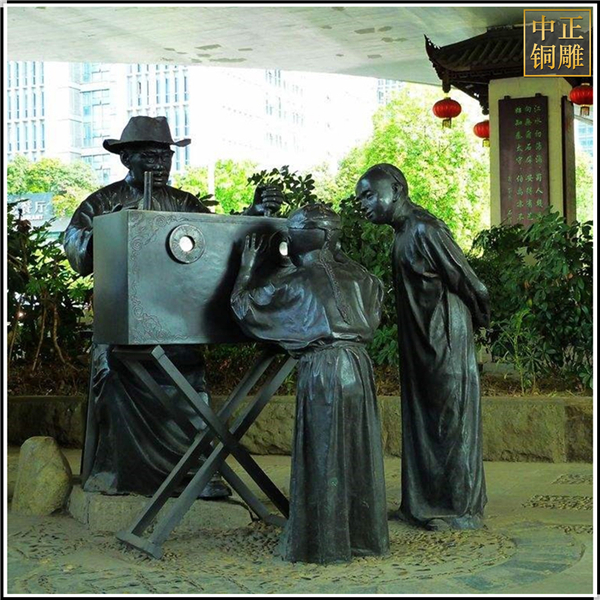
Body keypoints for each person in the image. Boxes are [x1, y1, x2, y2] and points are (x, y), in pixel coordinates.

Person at [64, 115, 282, 498]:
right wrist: (110, 231)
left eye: (165, 155)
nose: (160, 164)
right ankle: (120, 473)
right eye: (150, 156)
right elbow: (75, 248)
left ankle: (196, 474)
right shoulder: (102, 201)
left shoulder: (184, 203)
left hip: (177, 321)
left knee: (190, 386)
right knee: (111, 374)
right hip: (123, 326)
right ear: (126, 158)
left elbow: (219, 243)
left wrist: (255, 216)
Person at [230, 203, 389, 564]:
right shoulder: (363, 278)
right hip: (358, 367)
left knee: (324, 455)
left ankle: (324, 545)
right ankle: (364, 539)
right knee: (357, 453)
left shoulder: (295, 282)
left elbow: (245, 308)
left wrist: (247, 268)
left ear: (300, 239)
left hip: (324, 369)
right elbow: (375, 298)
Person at [355, 163, 490, 531]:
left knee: (450, 422)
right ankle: (420, 504)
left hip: (444, 340)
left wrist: (474, 328)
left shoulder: (425, 229)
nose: (363, 204)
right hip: (419, 343)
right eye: (360, 198)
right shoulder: (402, 233)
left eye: (369, 195)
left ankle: (459, 509)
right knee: (422, 422)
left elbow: (473, 285)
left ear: (397, 190)